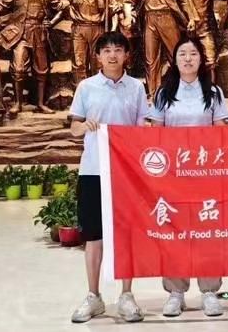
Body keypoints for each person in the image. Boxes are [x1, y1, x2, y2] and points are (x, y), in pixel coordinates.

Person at [68, 31, 148, 324]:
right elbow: (73, 128)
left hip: (125, 173)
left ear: (127, 55)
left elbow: (142, 128)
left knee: (126, 236)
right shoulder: (86, 87)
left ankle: (126, 295)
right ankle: (94, 296)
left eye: (118, 50)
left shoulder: (136, 88)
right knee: (94, 236)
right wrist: (84, 126)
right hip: (92, 171)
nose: (112, 55)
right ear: (98, 56)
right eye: (107, 50)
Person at [148, 38, 228, 318]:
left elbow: (221, 132)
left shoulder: (214, 92)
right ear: (174, 60)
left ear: (201, 59)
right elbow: (156, 135)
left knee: (208, 231)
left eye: (193, 53)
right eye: (182, 54)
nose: (187, 58)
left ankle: (209, 291)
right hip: (173, 175)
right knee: (174, 232)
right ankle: (176, 292)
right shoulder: (164, 93)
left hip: (206, 174)